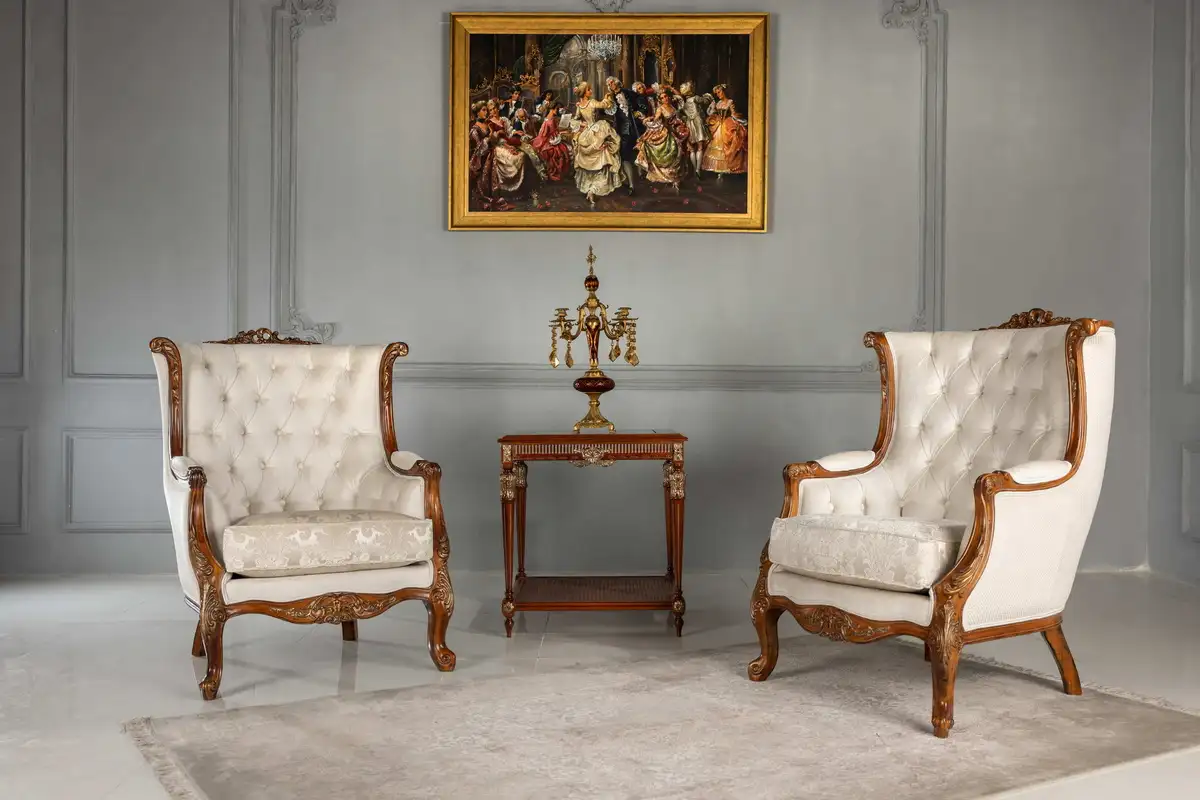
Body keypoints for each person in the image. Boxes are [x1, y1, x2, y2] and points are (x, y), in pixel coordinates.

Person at [570, 81, 624, 205]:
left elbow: (575, 120)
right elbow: (605, 105)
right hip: (596, 130)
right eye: (589, 90)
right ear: (584, 92)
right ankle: (595, 188)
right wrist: (607, 97)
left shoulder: (580, 105)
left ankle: (591, 188)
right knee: (605, 155)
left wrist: (583, 124)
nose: (591, 91)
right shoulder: (592, 102)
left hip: (588, 133)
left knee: (597, 157)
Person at [634, 88, 690, 190]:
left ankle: (676, 180)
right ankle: (671, 179)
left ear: (669, 97)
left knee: (678, 156)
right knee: (671, 156)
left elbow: (679, 112)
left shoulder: (673, 106)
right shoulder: (660, 108)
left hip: (677, 132)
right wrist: (649, 119)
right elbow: (656, 119)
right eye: (662, 97)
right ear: (660, 99)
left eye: (666, 96)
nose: (665, 98)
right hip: (668, 134)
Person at [603, 77, 645, 194]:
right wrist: (606, 101)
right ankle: (631, 185)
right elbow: (606, 111)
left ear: (617, 82)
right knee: (625, 156)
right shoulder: (610, 97)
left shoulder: (628, 93)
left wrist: (640, 112)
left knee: (639, 150)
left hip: (635, 127)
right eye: (609, 84)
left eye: (612, 82)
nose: (611, 85)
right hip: (622, 129)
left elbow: (641, 101)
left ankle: (641, 173)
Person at [702, 83, 748, 178]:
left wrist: (738, 120)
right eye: (717, 93)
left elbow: (733, 114)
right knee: (715, 145)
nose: (718, 94)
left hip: (727, 124)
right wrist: (712, 107)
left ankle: (727, 168)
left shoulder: (730, 102)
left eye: (719, 92)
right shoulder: (718, 103)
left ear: (724, 91)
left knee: (729, 142)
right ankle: (719, 171)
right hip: (719, 125)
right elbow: (711, 113)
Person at [677, 82, 713, 178]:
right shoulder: (695, 98)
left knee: (692, 149)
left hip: (689, 123)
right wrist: (707, 96)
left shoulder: (683, 103)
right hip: (697, 122)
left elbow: (680, 114)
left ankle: (694, 169)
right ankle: (697, 169)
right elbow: (705, 101)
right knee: (700, 147)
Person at [532, 102, 571, 182]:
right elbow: (554, 136)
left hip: (545, 139)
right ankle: (561, 173)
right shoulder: (551, 120)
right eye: (557, 109)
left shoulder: (548, 117)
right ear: (552, 109)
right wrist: (562, 133)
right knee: (564, 150)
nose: (558, 110)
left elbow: (552, 131)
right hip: (550, 141)